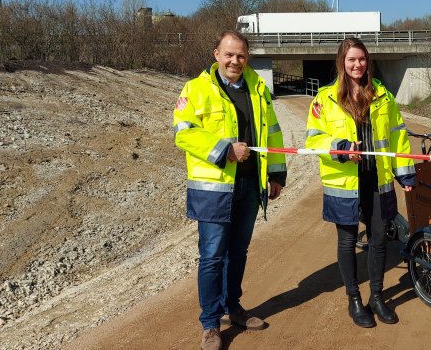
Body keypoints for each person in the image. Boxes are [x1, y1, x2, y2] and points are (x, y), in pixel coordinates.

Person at [172, 30, 287, 350]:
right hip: (213, 188)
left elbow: (273, 133)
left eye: (241, 55)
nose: (235, 60)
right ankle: (210, 323)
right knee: (211, 256)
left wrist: (276, 173)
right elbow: (183, 132)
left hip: (250, 184)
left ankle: (233, 308)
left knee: (238, 251)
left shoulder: (258, 89)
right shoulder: (196, 89)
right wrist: (224, 150)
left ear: (246, 58)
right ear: (216, 55)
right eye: (229, 54)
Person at [305, 37, 415, 328]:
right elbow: (313, 139)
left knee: (379, 239)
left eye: (362, 59)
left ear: (368, 61)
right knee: (347, 241)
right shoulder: (325, 98)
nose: (358, 65)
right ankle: (354, 300)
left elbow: (397, 136)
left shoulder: (383, 95)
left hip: (377, 179)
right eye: (352, 59)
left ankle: (377, 297)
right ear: (342, 62)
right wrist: (340, 147)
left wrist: (404, 172)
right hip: (344, 181)